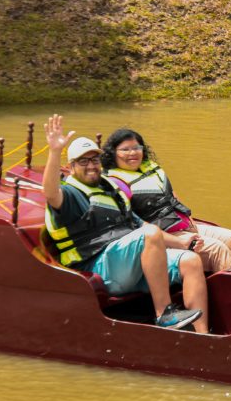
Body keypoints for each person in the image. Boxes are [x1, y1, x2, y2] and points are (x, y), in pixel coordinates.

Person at [42, 114, 210, 332]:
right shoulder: (70, 194)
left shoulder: (112, 190)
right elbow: (50, 191)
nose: (91, 166)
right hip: (99, 268)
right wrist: (54, 150)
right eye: (83, 161)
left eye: (94, 160)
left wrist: (184, 243)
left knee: (190, 260)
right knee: (150, 233)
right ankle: (164, 313)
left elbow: (139, 225)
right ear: (71, 167)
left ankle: (203, 336)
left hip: (129, 264)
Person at [100, 127, 231, 273]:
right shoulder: (115, 182)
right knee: (216, 248)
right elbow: (133, 225)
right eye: (125, 149)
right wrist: (180, 240)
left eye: (136, 147)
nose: (132, 153)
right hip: (165, 236)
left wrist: (191, 223)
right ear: (113, 153)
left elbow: (173, 197)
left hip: (185, 226)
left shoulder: (150, 169)